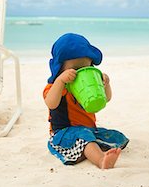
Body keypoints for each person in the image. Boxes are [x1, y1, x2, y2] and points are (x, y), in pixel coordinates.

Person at [43, 33, 129, 169]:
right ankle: (101, 161)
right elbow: (51, 103)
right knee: (84, 137)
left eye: (85, 68)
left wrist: (106, 84)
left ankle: (90, 150)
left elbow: (106, 99)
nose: (79, 73)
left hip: (89, 130)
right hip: (64, 133)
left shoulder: (89, 86)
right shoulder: (57, 87)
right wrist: (60, 81)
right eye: (75, 69)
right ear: (60, 68)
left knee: (114, 136)